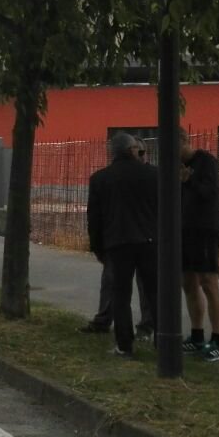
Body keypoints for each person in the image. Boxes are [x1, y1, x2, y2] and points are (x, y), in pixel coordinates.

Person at [86, 133, 158, 358]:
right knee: (154, 292)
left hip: (117, 243)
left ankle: (124, 345)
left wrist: (98, 248)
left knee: (121, 295)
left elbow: (94, 218)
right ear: (132, 150)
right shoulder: (154, 175)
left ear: (113, 153)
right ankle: (163, 342)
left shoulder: (100, 179)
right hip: (149, 241)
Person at [180, 135, 219, 361]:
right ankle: (196, 335)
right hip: (184, 231)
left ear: (184, 142)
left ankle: (217, 340)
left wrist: (189, 180)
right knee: (188, 282)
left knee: (208, 282)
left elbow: (208, 193)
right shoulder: (178, 168)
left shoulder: (205, 162)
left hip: (205, 230)